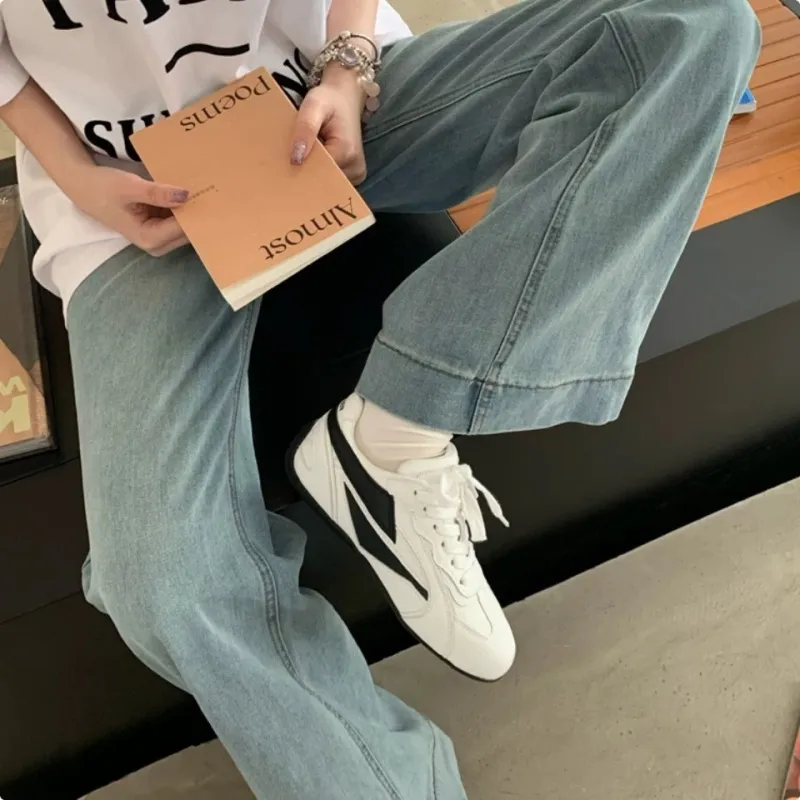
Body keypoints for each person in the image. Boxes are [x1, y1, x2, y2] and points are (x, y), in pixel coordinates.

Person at [0, 0, 760, 797]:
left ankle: (393, 435)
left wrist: (347, 63)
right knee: (163, 586)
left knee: (695, 26)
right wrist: (78, 178)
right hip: (131, 200)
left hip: (312, 104)